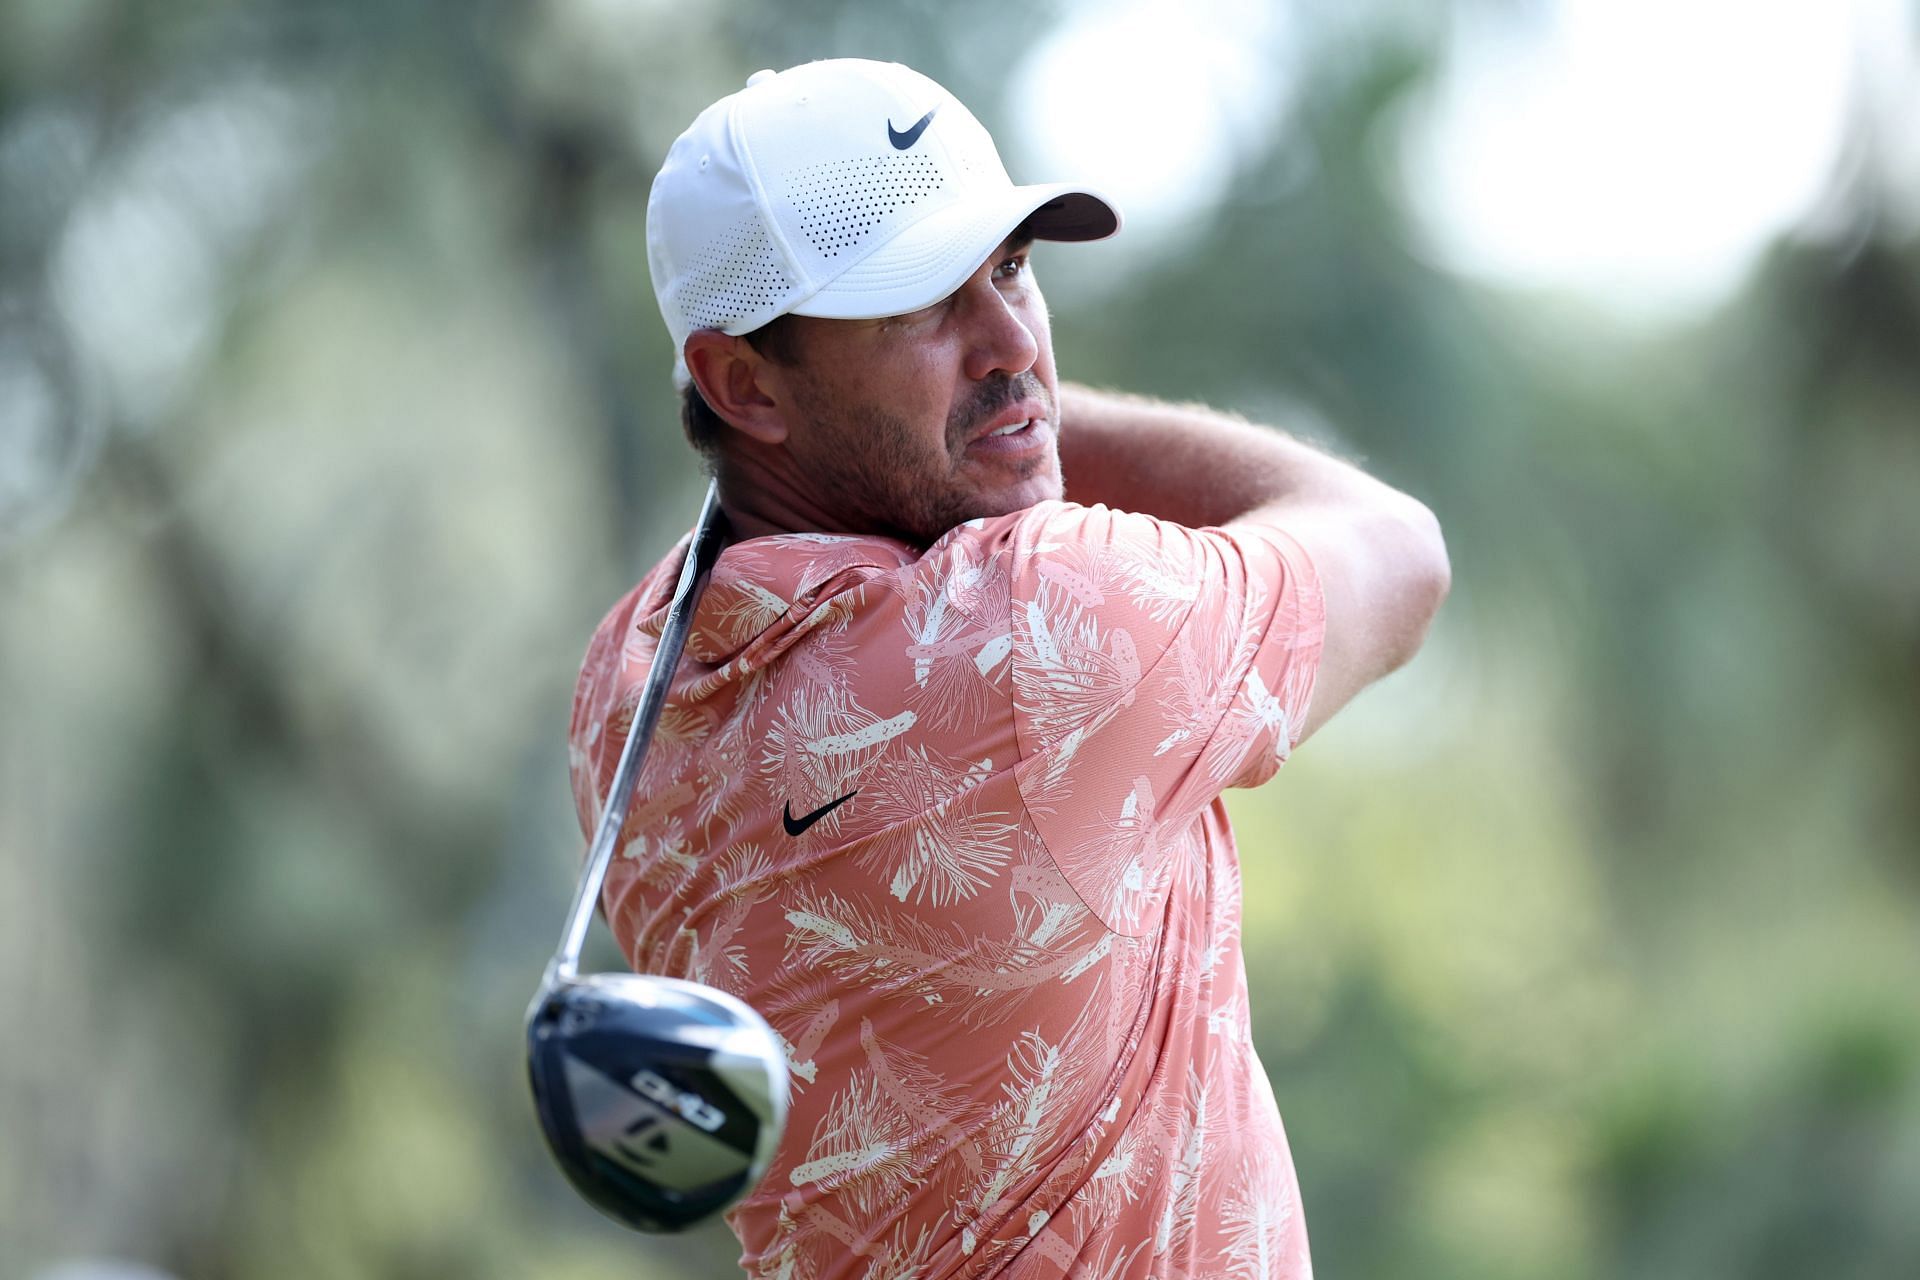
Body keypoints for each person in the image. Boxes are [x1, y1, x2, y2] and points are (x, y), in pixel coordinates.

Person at [568, 58, 1449, 1279]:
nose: (1013, 338)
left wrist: (978, 407)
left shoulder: (624, 695)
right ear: (743, 382)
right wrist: (1027, 415)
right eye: (921, 301)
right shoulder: (1035, 630)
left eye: (1013, 269)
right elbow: (1398, 551)